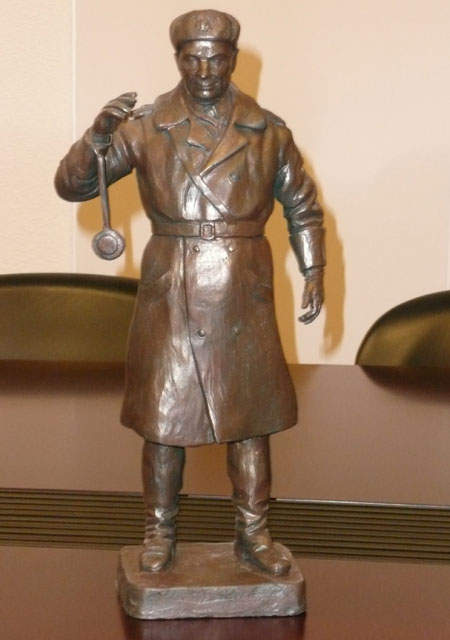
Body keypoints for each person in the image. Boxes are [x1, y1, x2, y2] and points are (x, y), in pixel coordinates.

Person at [55, 9, 325, 576]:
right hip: (170, 288)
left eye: (216, 59)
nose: (204, 71)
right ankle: (159, 531)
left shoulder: (267, 131)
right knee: (163, 419)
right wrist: (96, 138)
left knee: (250, 419)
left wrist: (314, 269)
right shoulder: (146, 127)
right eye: (192, 59)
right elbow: (73, 186)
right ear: (177, 59)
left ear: (234, 59)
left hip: (241, 286)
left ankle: (253, 532)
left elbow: (302, 205)